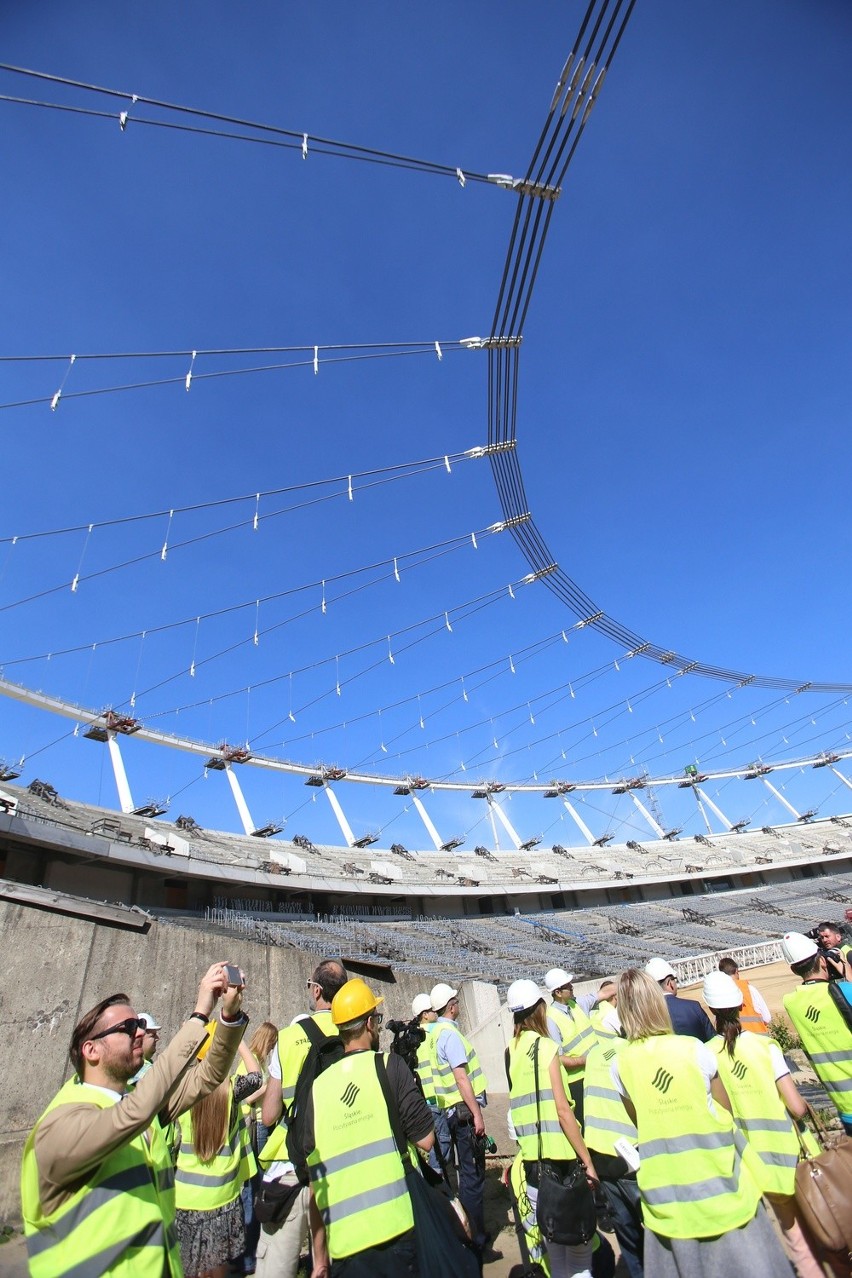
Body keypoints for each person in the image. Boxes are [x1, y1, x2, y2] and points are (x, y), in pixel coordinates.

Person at [21, 961, 249, 1277]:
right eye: (128, 1028)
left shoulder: (136, 1102)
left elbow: (208, 1076)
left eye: (139, 1024)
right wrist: (199, 1015)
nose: (140, 1031)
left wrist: (228, 1016)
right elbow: (134, 1113)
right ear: (91, 1050)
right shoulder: (60, 1123)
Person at [612, 968, 793, 1278]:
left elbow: (641, 1119)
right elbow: (725, 1110)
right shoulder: (693, 1049)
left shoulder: (620, 1064)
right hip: (720, 1184)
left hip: (667, 1196)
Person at [304, 977, 434, 1276]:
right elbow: (426, 1139)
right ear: (369, 1024)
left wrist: (320, 1256)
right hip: (397, 1229)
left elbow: (315, 1181)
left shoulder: (317, 1089)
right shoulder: (389, 1066)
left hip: (344, 1244)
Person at [702, 970, 823, 1278]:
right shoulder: (764, 1047)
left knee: (795, 1238)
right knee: (826, 1226)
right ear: (740, 1004)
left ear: (709, 1008)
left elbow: (722, 1109)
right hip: (794, 1154)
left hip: (757, 1163)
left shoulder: (707, 1054)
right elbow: (796, 1106)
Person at [256, 959, 348, 1278]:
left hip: (293, 1163)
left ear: (317, 990)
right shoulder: (355, 1033)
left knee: (277, 1265)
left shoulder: (287, 1037)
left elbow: (269, 1116)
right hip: (341, 1160)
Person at [506, 979, 599, 1278]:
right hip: (562, 1162)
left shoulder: (512, 1050)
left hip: (533, 1162)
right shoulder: (547, 1048)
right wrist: (587, 1161)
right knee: (580, 1252)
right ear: (540, 1009)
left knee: (555, 1251)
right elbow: (563, 1110)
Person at [175, 1033, 261, 1278]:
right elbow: (256, 1077)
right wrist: (238, 1040)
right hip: (222, 1197)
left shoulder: (183, 1091)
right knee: (218, 1269)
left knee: (190, 1268)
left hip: (186, 1197)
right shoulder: (231, 1090)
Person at [429, 981, 490, 1258]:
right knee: (472, 1176)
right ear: (451, 1006)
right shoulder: (450, 1035)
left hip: (449, 1112)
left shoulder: (434, 1034)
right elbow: (461, 1077)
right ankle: (474, 1237)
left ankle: (463, 1232)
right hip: (465, 1114)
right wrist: (477, 1114)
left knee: (462, 1174)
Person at [582, 1004, 644, 1278]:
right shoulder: (630, 1053)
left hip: (600, 1155)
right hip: (631, 1155)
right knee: (655, 1226)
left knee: (626, 1231)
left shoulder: (594, 1055)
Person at [781, 930, 852, 1135]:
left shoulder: (791, 1002)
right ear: (822, 961)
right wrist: (844, 969)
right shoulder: (844, 991)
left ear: (794, 969)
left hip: (843, 1104)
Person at [238, 1020, 279, 1276]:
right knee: (253, 1187)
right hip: (250, 1125)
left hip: (259, 1124)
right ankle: (248, 1256)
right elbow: (242, 1095)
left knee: (259, 1184)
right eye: (272, 1043)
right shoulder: (249, 1061)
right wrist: (265, 1088)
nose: (274, 1047)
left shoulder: (261, 1061)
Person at [544, 968, 598, 1127]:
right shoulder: (551, 1018)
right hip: (577, 1082)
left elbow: (602, 994)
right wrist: (583, 1061)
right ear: (558, 992)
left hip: (594, 1072)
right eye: (568, 986)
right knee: (586, 1125)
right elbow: (557, 1058)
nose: (572, 987)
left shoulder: (576, 1004)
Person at [411, 992, 451, 1172]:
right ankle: (438, 1186)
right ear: (424, 1014)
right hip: (435, 1098)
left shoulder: (413, 1038)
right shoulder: (434, 1032)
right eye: (431, 1010)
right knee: (443, 1144)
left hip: (422, 1099)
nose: (436, 1012)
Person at [643, 958, 714, 1043]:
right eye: (674, 979)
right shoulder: (693, 1007)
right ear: (669, 983)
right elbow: (711, 1041)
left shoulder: (643, 1014)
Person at [716, 959, 771, 1034]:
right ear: (736, 971)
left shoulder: (718, 993)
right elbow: (767, 1018)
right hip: (758, 1038)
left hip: (733, 1040)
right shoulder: (749, 989)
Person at [130, 1011, 163, 1083]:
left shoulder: (127, 1065)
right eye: (153, 1035)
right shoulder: (148, 1072)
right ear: (139, 1037)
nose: (157, 1038)